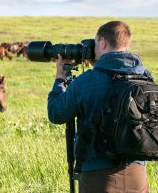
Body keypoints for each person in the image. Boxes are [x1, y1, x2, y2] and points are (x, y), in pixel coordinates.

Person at [48, 21, 151, 192]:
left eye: (95, 44)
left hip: (98, 175)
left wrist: (60, 78)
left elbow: (56, 113)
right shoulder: (145, 76)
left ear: (102, 42)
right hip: (138, 174)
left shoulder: (87, 80)